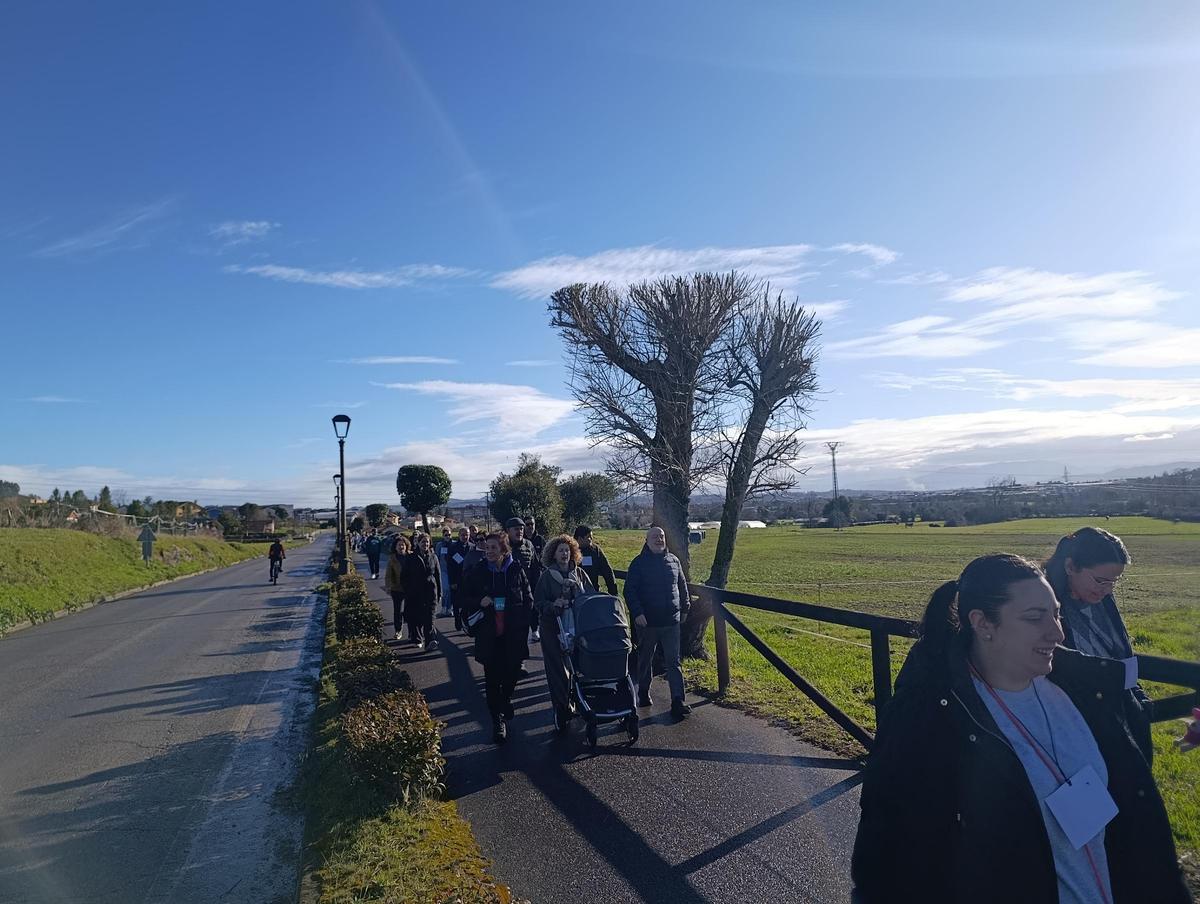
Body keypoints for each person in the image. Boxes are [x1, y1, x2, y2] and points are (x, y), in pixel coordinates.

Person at [851, 553, 1189, 904]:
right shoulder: (926, 718)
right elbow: (887, 863)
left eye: (1056, 613)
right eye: (1034, 617)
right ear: (983, 624)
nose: (1057, 631)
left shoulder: (1087, 692)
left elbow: (1136, 827)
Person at [1043, 527, 1154, 763]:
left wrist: (1138, 700)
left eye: (1114, 581)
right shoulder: (1046, 608)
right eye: (1101, 580)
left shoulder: (1101, 597)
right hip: (1078, 728)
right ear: (1070, 566)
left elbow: (1121, 652)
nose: (1108, 590)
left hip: (1124, 716)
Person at [460, 532, 534, 743]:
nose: (490, 551)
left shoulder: (516, 570)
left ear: (504, 550)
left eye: (494, 547)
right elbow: (463, 599)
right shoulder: (478, 571)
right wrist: (478, 601)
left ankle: (505, 700)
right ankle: (497, 722)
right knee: (492, 680)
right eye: (488, 547)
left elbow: (528, 598)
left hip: (513, 634)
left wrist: (524, 621)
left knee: (511, 674)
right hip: (489, 634)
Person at [624, 526, 691, 720]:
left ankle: (678, 700)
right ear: (646, 540)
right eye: (654, 536)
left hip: (671, 621)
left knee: (674, 661)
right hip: (648, 623)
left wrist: (685, 607)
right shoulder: (638, 563)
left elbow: (682, 585)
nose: (659, 539)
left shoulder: (674, 561)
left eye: (662, 536)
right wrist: (637, 613)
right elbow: (630, 591)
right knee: (645, 660)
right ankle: (643, 693)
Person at [534, 534, 594, 731]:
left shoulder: (580, 575)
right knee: (557, 670)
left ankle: (581, 700)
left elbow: (590, 595)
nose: (564, 553)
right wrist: (554, 605)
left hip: (576, 626)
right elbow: (539, 603)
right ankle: (561, 707)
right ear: (553, 553)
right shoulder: (547, 577)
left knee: (580, 666)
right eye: (561, 550)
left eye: (567, 550)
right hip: (552, 627)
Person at [505, 517, 543, 644]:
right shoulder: (503, 546)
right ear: (508, 531)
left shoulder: (529, 545)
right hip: (510, 589)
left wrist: (537, 585)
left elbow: (535, 566)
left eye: (521, 529)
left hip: (528, 586)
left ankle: (534, 629)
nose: (519, 531)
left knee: (531, 609)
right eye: (516, 529)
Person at [401, 531, 442, 651]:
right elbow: (404, 576)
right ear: (418, 543)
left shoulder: (433, 557)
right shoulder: (411, 557)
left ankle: (430, 641)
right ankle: (418, 638)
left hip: (431, 591)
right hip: (415, 593)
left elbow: (438, 575)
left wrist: (439, 592)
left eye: (427, 542)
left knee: (430, 618)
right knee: (417, 617)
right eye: (423, 542)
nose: (425, 544)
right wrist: (407, 590)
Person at [574, 525, 618, 595]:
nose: (591, 540)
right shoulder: (569, 550)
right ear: (580, 538)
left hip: (593, 592)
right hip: (574, 593)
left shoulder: (595, 550)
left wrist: (613, 592)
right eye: (589, 537)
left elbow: (607, 571)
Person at [383, 535, 411, 642]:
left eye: (403, 545)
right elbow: (388, 574)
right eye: (399, 545)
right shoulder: (392, 559)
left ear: (406, 546)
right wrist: (388, 586)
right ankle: (398, 630)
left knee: (409, 611)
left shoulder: (411, 556)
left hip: (409, 588)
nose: (401, 547)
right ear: (395, 547)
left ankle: (411, 632)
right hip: (397, 588)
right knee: (397, 611)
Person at [446, 526, 472, 631]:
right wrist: (452, 581)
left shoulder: (473, 547)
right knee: (456, 603)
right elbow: (450, 566)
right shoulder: (452, 548)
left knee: (467, 603)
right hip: (457, 580)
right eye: (463, 535)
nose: (465, 537)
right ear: (459, 535)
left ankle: (465, 621)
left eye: (467, 534)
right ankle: (457, 620)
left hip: (469, 581)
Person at [436, 528, 454, 617]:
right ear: (443, 536)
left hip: (452, 570)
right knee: (445, 589)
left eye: (449, 535)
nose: (448, 536)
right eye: (446, 535)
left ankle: (449, 608)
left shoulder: (453, 544)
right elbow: (437, 557)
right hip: (443, 570)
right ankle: (443, 608)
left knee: (450, 590)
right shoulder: (439, 545)